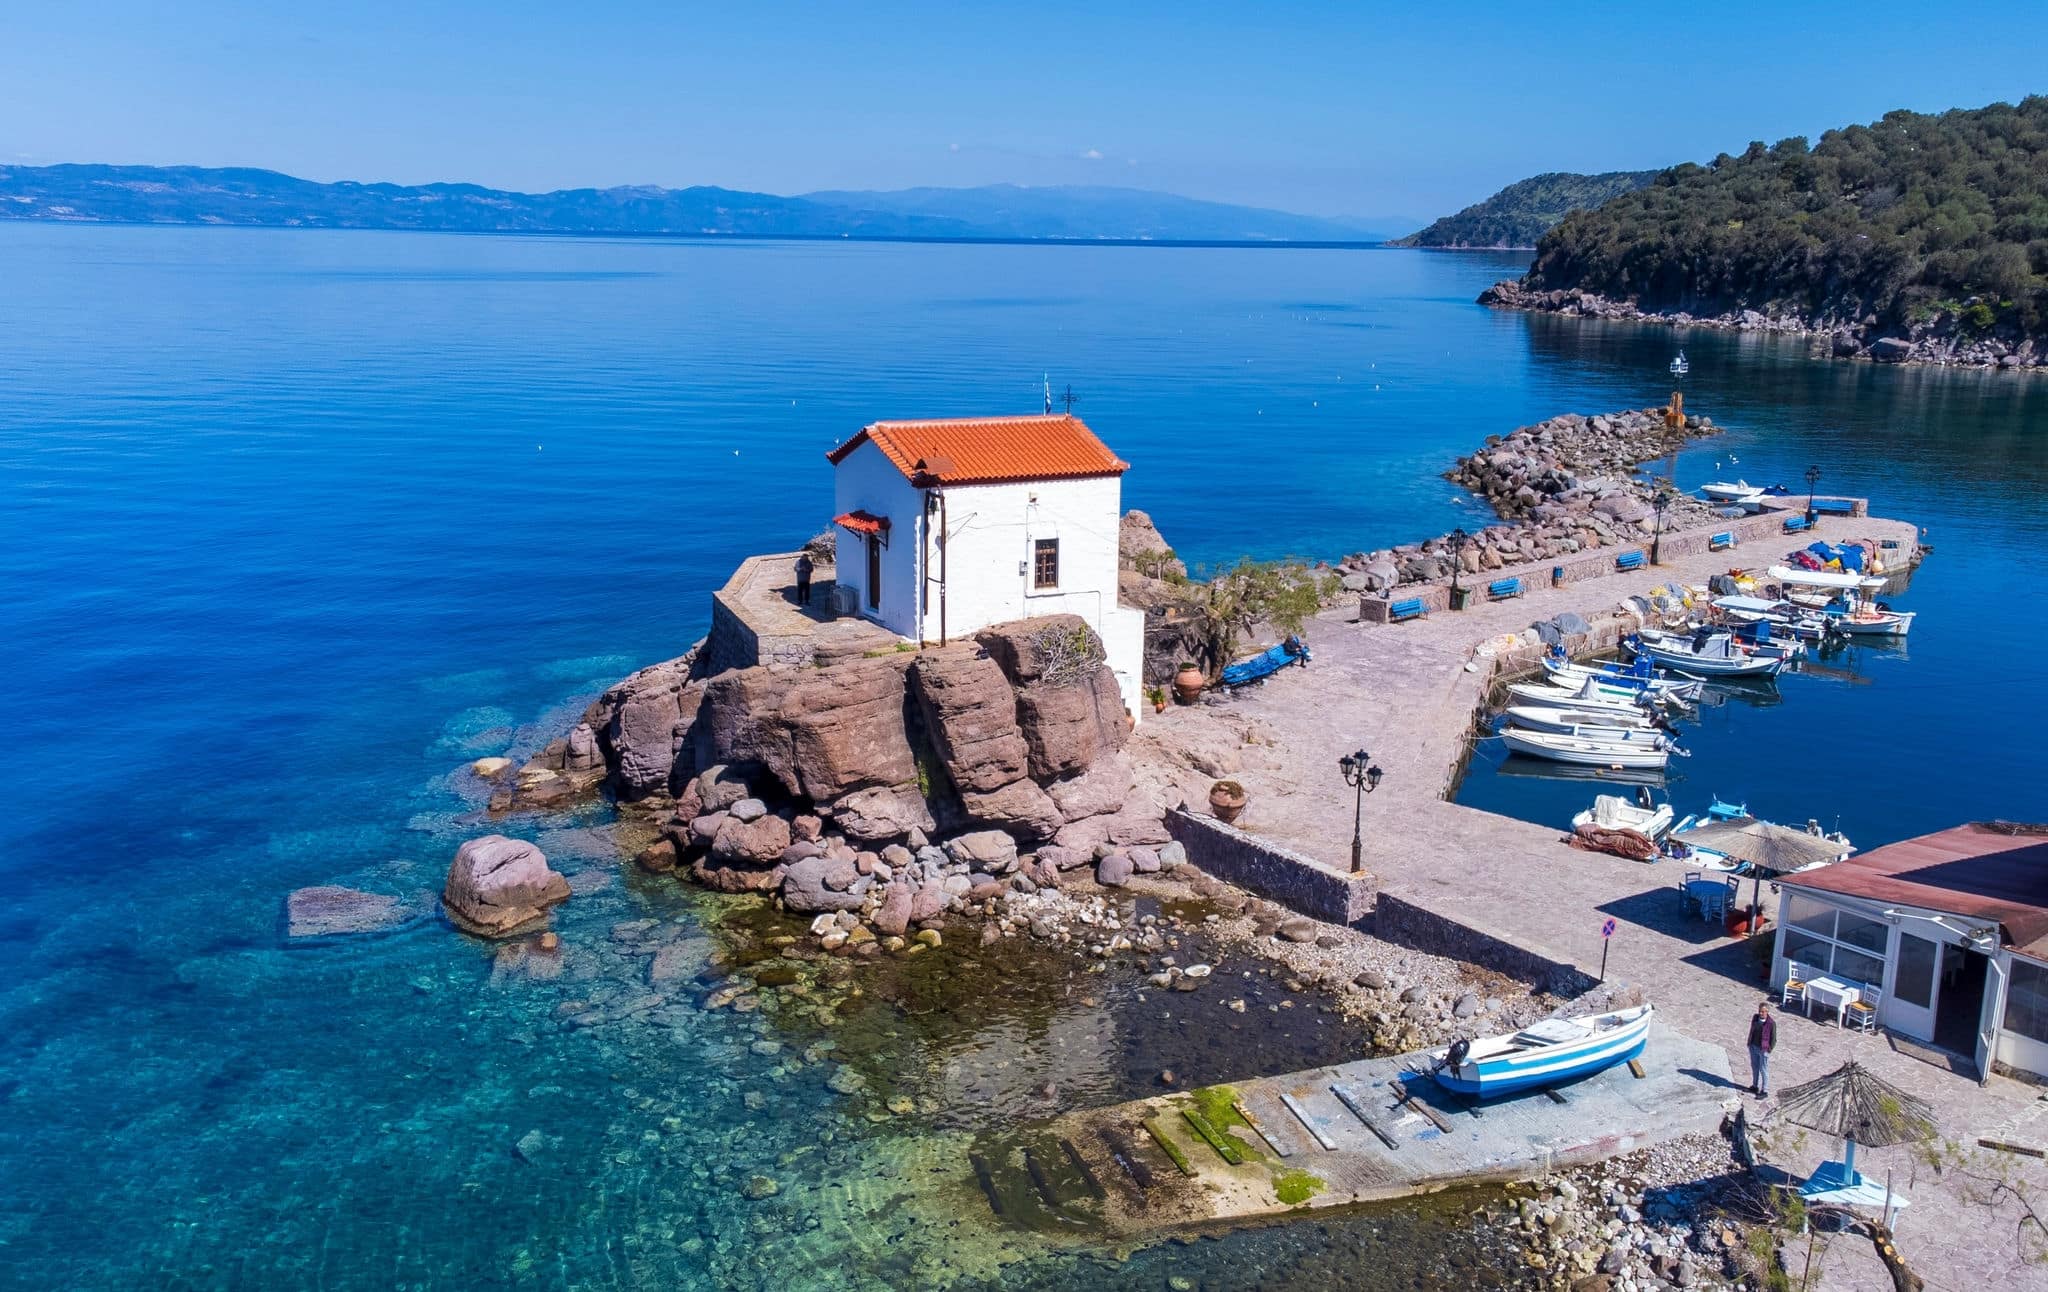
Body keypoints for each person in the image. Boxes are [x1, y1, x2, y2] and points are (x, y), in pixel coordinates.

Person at [1746, 1000, 1776, 1097]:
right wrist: (1749, 1043)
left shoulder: (1771, 1023)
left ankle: (1765, 1090)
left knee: (1763, 1069)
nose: (1761, 1013)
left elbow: (1773, 1038)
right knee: (1755, 1067)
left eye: (1763, 1012)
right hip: (1753, 1046)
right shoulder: (1755, 1018)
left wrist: (1769, 1049)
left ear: (1767, 1012)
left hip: (1763, 1049)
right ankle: (1755, 1085)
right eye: (1760, 1011)